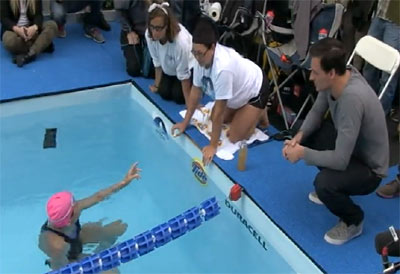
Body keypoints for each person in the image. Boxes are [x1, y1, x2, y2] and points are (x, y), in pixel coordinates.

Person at [282, 38, 389, 245]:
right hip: (351, 149)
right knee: (303, 129)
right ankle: (335, 186)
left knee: (324, 184)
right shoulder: (337, 78)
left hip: (369, 169)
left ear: (331, 73)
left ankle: (353, 220)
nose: (311, 77)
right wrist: (299, 138)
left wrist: (302, 153)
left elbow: (340, 160)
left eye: (315, 72)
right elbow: (317, 110)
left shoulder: (352, 99)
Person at [171, 16, 270, 165]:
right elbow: (195, 93)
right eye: (194, 53)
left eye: (200, 53)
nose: (196, 57)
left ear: (212, 47)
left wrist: (212, 145)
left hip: (256, 89)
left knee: (235, 136)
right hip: (237, 93)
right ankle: (244, 111)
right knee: (215, 119)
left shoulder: (223, 68)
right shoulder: (201, 59)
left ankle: (259, 112)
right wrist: (185, 122)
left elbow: (218, 113)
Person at [39, 162, 141, 271]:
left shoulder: (69, 213)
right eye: (75, 204)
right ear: (69, 220)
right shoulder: (57, 245)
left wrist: (124, 182)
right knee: (111, 271)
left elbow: (98, 196)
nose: (79, 203)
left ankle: (101, 249)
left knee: (115, 230)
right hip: (69, 259)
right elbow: (60, 269)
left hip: (76, 239)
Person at [145, 1, 195, 105]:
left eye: (158, 28)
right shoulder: (149, 34)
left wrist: (189, 103)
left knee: (178, 97)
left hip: (189, 67)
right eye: (152, 27)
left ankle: (197, 86)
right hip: (170, 67)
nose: (154, 32)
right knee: (164, 93)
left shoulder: (181, 43)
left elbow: (184, 74)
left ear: (167, 26)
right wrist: (157, 85)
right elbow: (157, 61)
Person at [362, 0, 399, 116]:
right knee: (369, 65)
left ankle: (380, 115)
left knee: (388, 72)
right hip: (378, 15)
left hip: (396, 21)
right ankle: (365, 105)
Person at [0, 0, 58, 67]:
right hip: (14, 30)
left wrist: (35, 27)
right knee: (9, 41)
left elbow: (39, 15)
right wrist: (17, 29)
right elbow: (4, 18)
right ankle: (41, 45)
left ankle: (30, 54)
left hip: (31, 29)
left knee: (52, 25)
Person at [115, 0, 153, 78]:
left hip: (155, 30)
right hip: (134, 31)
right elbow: (120, 12)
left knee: (151, 72)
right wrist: (129, 31)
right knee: (134, 70)